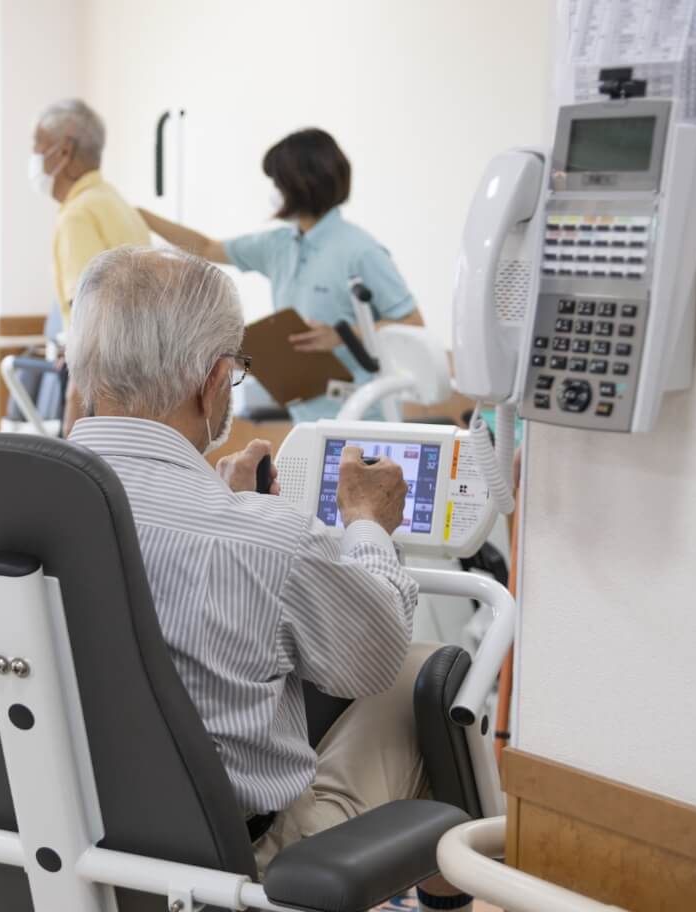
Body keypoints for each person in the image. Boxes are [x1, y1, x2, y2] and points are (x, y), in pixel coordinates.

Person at [64, 246, 471, 912]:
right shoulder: (262, 537)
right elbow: (371, 658)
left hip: (60, 843)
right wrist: (367, 525)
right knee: (428, 674)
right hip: (231, 870)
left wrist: (243, 509)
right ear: (217, 380)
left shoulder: (15, 501)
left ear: (83, 371)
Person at [139, 128, 424, 421]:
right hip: (306, 417)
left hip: (363, 417)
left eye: (277, 182)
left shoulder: (360, 251)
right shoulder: (279, 246)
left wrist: (344, 335)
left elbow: (413, 324)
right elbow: (205, 247)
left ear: (300, 184)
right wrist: (138, 215)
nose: (274, 192)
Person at [29, 98, 152, 434]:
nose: (34, 159)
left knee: (81, 479)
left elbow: (88, 308)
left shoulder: (79, 213)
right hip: (139, 374)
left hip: (100, 377)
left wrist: (74, 396)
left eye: (37, 147)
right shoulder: (116, 203)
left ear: (64, 151)